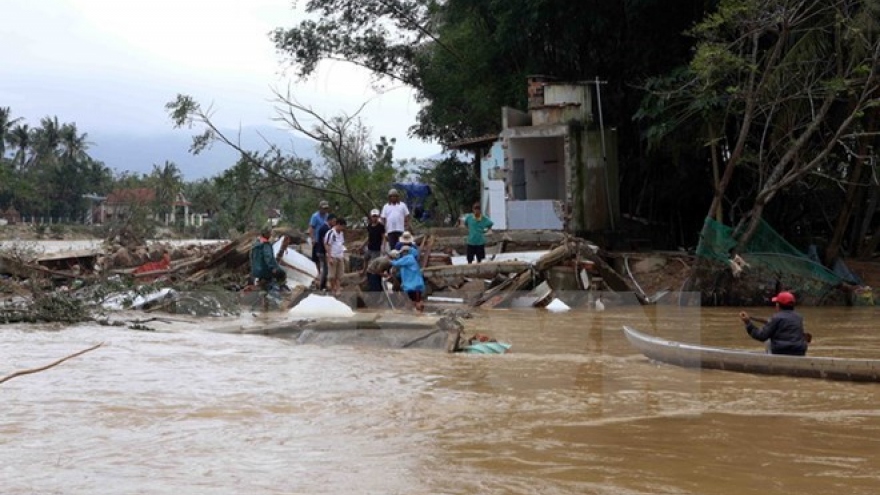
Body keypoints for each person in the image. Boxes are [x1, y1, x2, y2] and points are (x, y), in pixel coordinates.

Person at [738, 291, 809, 356]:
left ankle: (769, 358)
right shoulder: (799, 317)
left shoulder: (776, 318)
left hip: (781, 351)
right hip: (800, 351)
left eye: (776, 303)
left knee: (768, 340)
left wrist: (748, 323)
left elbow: (761, 336)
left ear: (778, 305)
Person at [250, 227, 285, 308]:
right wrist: (273, 268)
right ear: (266, 234)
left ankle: (264, 304)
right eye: (269, 233)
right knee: (282, 274)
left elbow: (251, 258)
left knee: (264, 287)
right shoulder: (266, 244)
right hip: (265, 270)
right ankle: (279, 294)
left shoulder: (255, 244)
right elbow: (268, 257)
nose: (270, 235)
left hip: (256, 271)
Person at [389, 245, 425, 312]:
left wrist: (389, 260)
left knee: (414, 300)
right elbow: (402, 271)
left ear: (404, 252)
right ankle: (419, 311)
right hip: (416, 283)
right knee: (417, 299)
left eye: (402, 252)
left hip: (412, 285)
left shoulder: (408, 258)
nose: (401, 254)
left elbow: (396, 263)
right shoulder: (410, 258)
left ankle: (418, 311)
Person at [324, 217, 347, 297]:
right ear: (338, 225)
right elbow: (327, 244)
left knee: (339, 274)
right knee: (331, 275)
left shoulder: (341, 233)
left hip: (340, 255)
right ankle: (334, 288)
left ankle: (338, 288)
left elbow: (341, 243)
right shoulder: (331, 233)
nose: (343, 228)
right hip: (333, 255)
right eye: (343, 226)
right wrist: (329, 257)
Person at [308, 200, 331, 273]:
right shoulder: (315, 216)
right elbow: (311, 228)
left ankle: (326, 271)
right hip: (317, 239)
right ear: (320, 208)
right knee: (316, 258)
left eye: (326, 208)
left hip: (326, 239)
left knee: (325, 255)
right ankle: (318, 271)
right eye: (324, 208)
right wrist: (312, 238)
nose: (325, 210)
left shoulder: (327, 216)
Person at [314, 214, 336, 291]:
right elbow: (325, 242)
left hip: (321, 251)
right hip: (322, 251)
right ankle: (322, 286)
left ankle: (323, 285)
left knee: (325, 269)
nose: (334, 223)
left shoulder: (326, 228)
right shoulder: (325, 229)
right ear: (329, 220)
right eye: (333, 221)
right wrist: (329, 253)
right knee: (326, 270)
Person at [360, 208, 385, 274]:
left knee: (373, 263)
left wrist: (383, 246)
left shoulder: (381, 226)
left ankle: (372, 274)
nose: (374, 218)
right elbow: (368, 237)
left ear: (378, 216)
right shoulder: (369, 226)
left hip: (377, 248)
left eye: (376, 216)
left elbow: (383, 237)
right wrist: (362, 245)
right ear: (371, 217)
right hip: (370, 247)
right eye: (373, 216)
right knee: (365, 258)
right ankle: (364, 271)